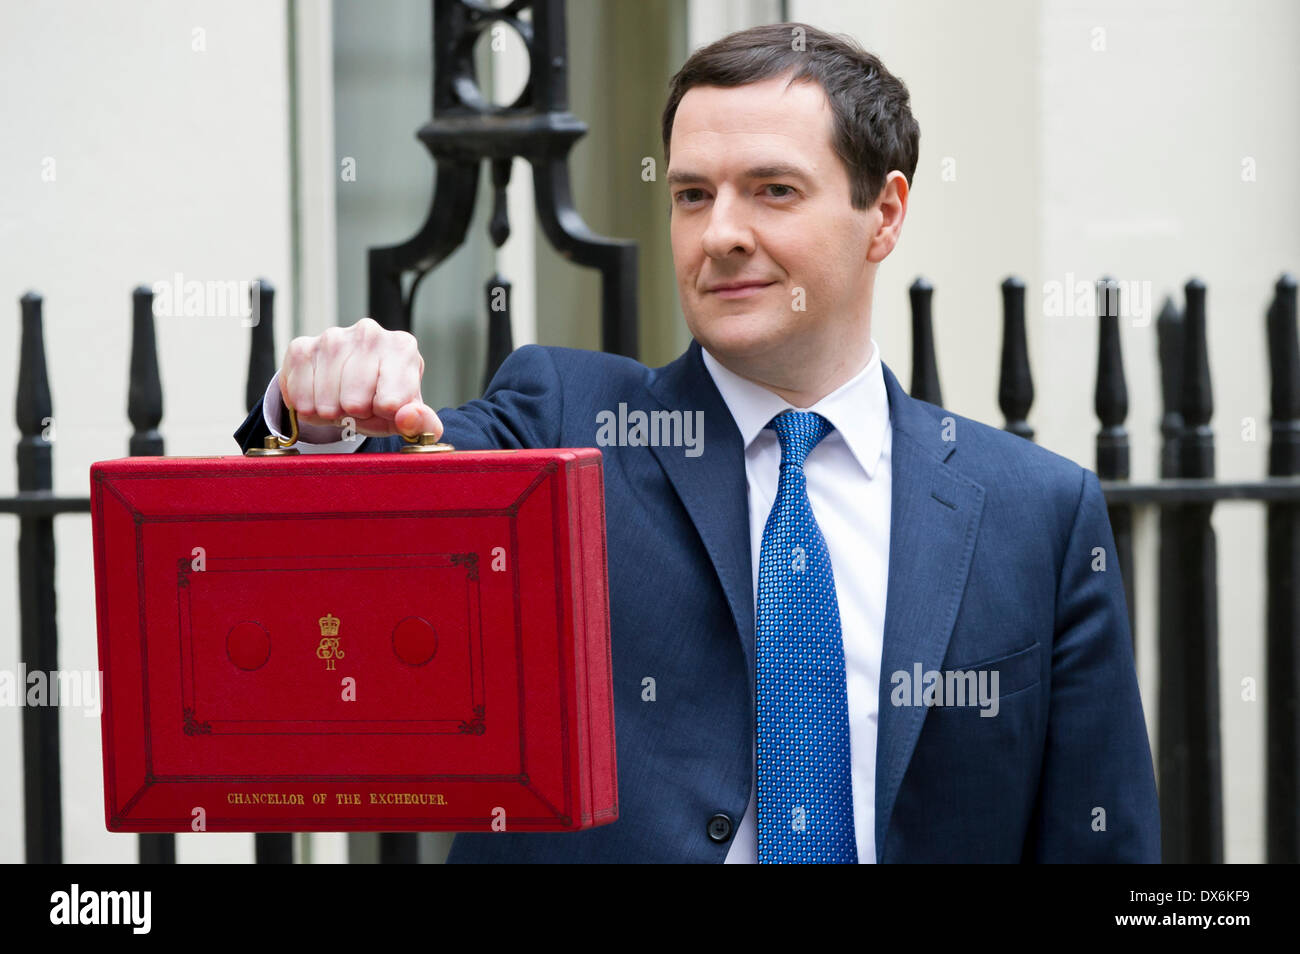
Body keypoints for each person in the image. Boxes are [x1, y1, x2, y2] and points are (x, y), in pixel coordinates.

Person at [235, 22, 1160, 863]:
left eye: (772, 191)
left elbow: (1104, 844)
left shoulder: (1036, 511)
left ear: (884, 213)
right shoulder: (566, 419)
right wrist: (323, 420)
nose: (719, 234)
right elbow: (381, 516)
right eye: (691, 194)